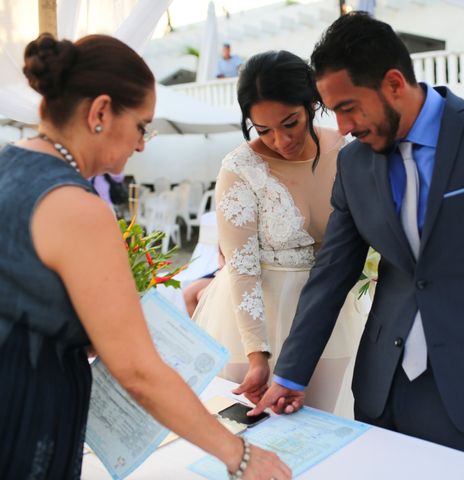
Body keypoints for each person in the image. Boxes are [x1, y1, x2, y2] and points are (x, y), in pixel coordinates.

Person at [252, 12, 464, 460]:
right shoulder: (353, 164)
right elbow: (332, 273)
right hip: (381, 381)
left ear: (394, 83)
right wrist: (289, 374)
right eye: (334, 112)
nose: (342, 127)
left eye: (349, 107)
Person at [0, 33, 289, 480]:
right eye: (141, 126)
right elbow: (136, 369)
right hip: (26, 419)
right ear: (99, 112)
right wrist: (242, 457)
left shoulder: (7, 165)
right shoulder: (75, 206)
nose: (141, 145)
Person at [192, 50, 363, 414]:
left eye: (290, 123)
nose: (281, 140)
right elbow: (241, 267)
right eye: (264, 130)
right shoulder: (240, 168)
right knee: (253, 431)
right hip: (255, 320)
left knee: (320, 427)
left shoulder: (345, 150)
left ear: (313, 104)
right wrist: (258, 355)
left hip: (330, 311)